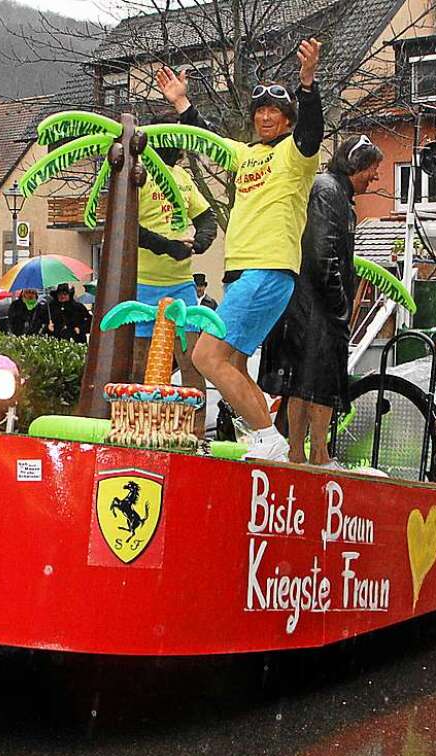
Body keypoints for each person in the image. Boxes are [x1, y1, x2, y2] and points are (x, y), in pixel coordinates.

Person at [156, 37, 323, 461]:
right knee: (231, 363)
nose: (267, 117)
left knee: (205, 356)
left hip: (269, 269)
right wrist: (180, 102)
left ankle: (267, 439)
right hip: (244, 273)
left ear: (286, 119)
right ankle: (268, 442)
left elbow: (311, 131)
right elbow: (204, 138)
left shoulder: (295, 154)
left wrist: (308, 82)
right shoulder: (245, 154)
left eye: (276, 112)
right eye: (261, 111)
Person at [259, 135, 383, 467]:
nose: (376, 176)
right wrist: (339, 301)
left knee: (300, 382)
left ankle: (298, 452)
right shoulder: (330, 192)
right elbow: (323, 250)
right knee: (320, 380)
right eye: (373, 168)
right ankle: (318, 453)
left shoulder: (328, 189)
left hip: (303, 301)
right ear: (356, 164)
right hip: (316, 304)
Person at [134, 132, 218, 437]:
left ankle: (195, 434)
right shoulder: (139, 171)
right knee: (141, 364)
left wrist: (202, 241)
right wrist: (168, 246)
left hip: (181, 284)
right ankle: (141, 429)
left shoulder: (183, 176)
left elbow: (207, 216)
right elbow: (131, 226)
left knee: (192, 361)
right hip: (143, 283)